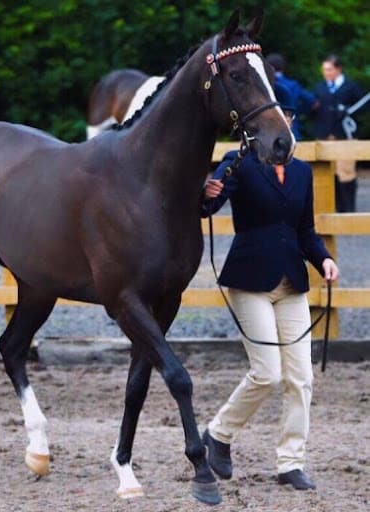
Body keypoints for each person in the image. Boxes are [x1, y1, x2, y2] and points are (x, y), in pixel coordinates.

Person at [200, 83, 339, 491]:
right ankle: (219, 434)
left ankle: (290, 461)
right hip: (250, 280)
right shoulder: (239, 162)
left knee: (301, 379)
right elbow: (208, 206)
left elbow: (307, 230)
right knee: (267, 374)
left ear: (291, 123)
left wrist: (324, 259)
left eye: (288, 118)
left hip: (291, 283)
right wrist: (208, 191)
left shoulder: (301, 172)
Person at [313, 55, 365, 212]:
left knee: (346, 171)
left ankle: (348, 209)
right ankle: (331, 208)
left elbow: (363, 103)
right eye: (324, 70)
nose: (326, 73)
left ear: (338, 69)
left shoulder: (350, 86)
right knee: (328, 171)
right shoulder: (319, 87)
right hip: (325, 135)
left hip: (345, 134)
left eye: (329, 69)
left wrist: (347, 109)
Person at [266, 53, 318, 141]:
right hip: (292, 132)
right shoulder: (293, 85)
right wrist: (299, 112)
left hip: (269, 134)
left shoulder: (266, 85)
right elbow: (313, 103)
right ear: (283, 67)